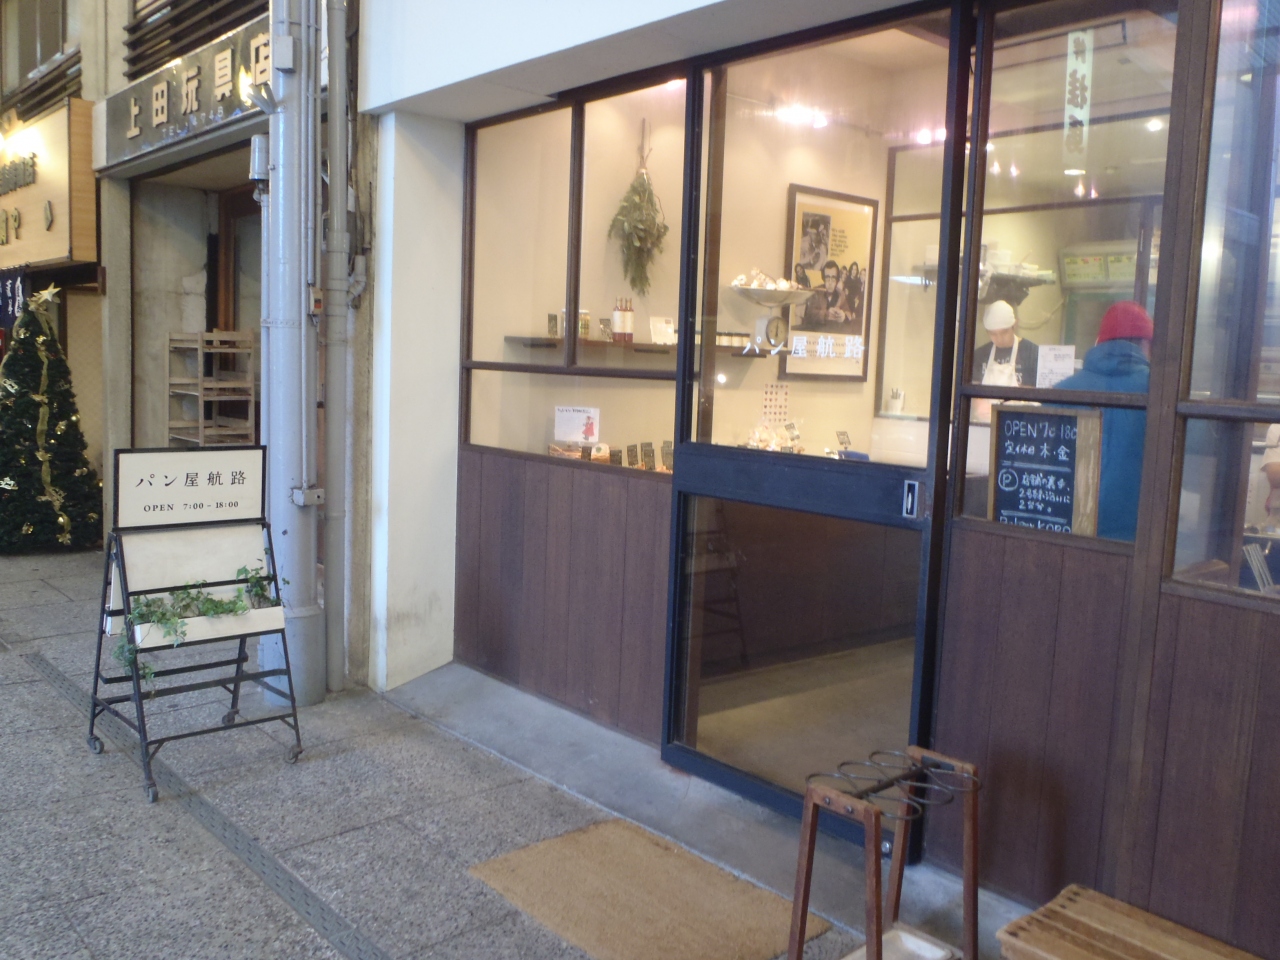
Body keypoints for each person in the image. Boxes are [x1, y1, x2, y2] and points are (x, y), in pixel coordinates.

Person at [1056, 300, 1153, 542]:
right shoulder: (1161, 392)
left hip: (1067, 536)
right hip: (1139, 540)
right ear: (1145, 343)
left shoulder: (1060, 393)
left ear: (1099, 342)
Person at [972, 300, 1038, 387]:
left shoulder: (1032, 353)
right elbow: (973, 389)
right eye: (993, 334)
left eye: (1004, 332)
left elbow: (1039, 390)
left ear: (1015, 325)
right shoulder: (979, 355)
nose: (999, 339)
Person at [800, 259, 849, 328]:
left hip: (835, 331)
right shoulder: (816, 292)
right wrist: (825, 314)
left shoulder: (841, 294)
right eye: (827, 278)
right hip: (818, 331)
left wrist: (844, 316)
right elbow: (809, 314)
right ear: (823, 279)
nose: (830, 282)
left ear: (837, 280)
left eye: (833, 278)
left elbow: (848, 313)